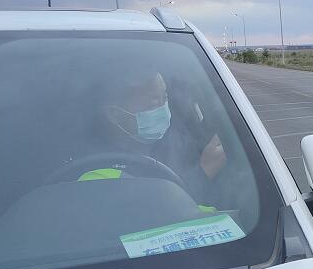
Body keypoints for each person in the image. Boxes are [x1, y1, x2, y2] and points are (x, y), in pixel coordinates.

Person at [81, 71, 226, 206]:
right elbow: (148, 215)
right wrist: (204, 171)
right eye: (154, 103)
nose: (163, 109)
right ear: (114, 114)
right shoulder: (94, 175)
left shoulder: (176, 138)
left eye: (165, 98)